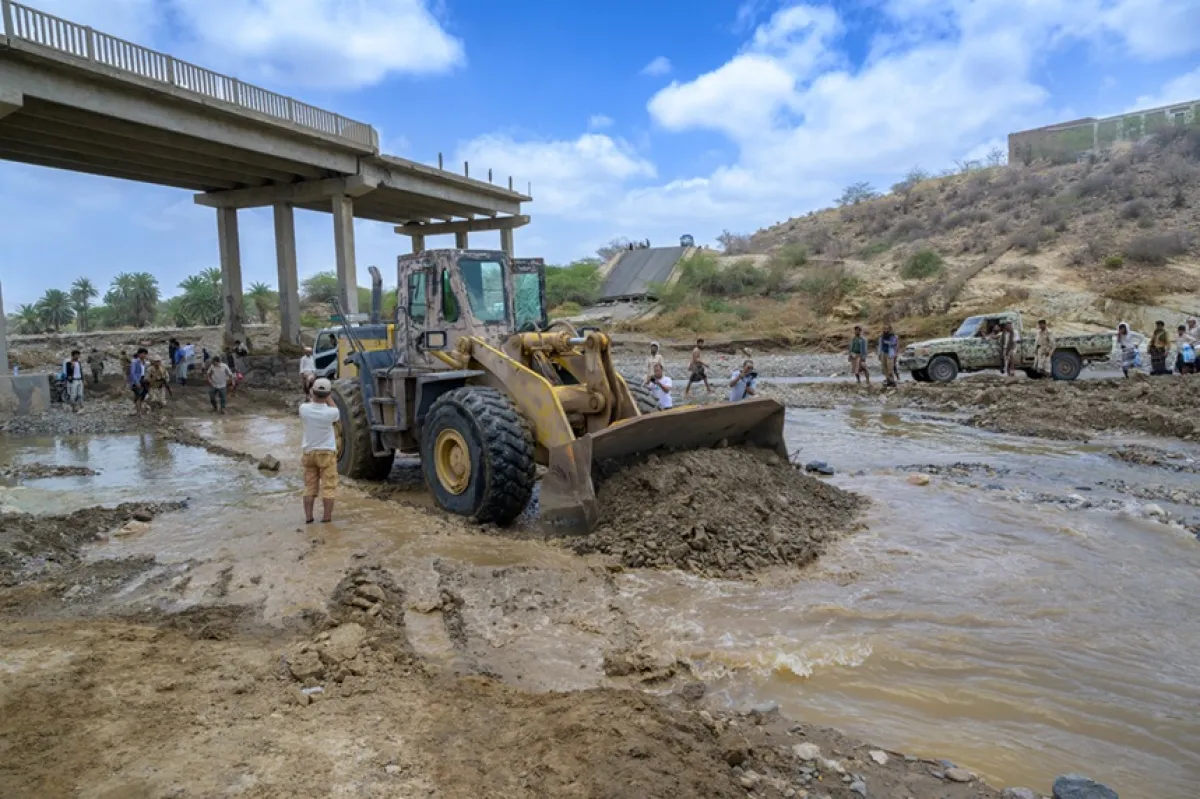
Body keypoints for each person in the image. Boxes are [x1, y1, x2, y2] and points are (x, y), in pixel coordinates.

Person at [300, 378, 341, 524]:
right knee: (328, 487)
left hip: (309, 452)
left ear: (312, 392)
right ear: (328, 393)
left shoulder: (303, 409)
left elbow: (311, 400)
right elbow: (336, 411)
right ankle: (326, 518)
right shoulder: (332, 412)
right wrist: (329, 397)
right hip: (327, 452)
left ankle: (309, 518)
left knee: (309, 487)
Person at [128, 348, 149, 416]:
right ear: (139, 354)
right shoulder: (135, 362)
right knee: (138, 395)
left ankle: (138, 408)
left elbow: (145, 371)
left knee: (144, 394)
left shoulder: (145, 362)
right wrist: (136, 382)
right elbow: (132, 373)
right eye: (143, 353)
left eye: (145, 354)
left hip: (143, 380)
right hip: (137, 380)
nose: (145, 355)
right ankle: (138, 412)